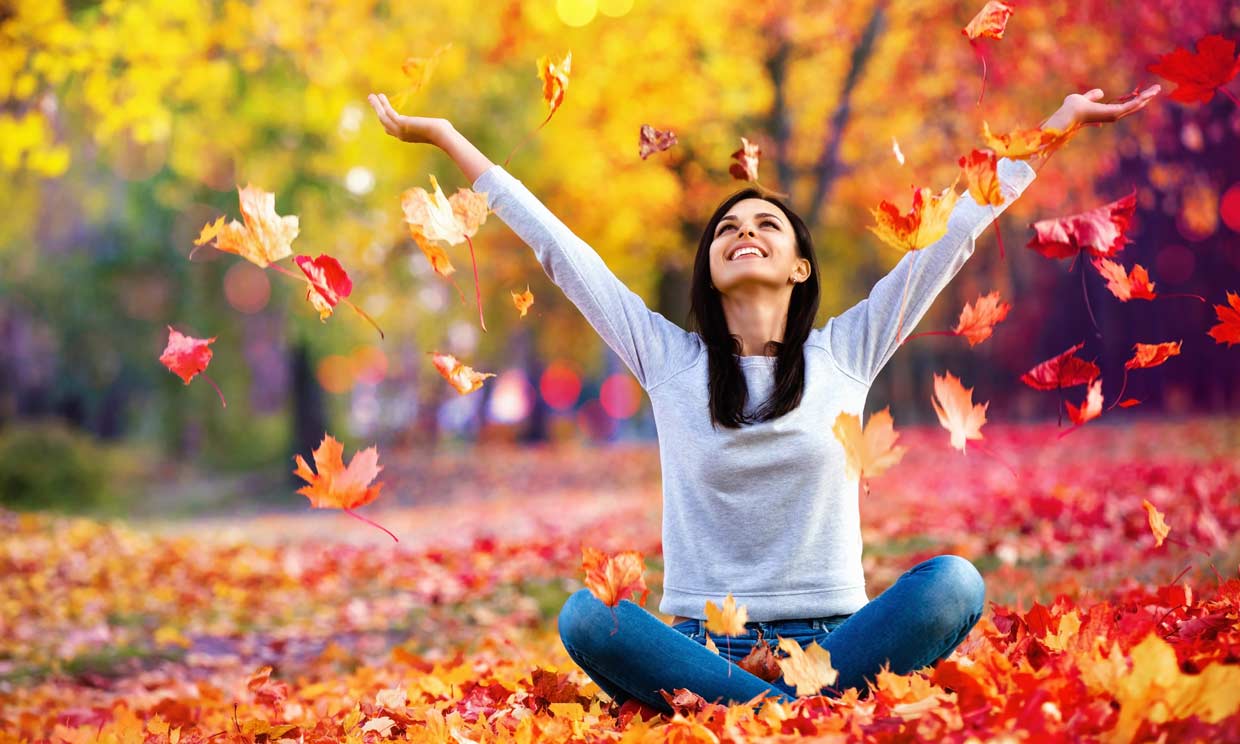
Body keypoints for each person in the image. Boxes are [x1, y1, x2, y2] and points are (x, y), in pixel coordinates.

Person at [367, 83, 1159, 714]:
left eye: (766, 225)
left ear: (799, 267)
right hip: (702, 649)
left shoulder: (848, 350)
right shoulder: (666, 360)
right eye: (727, 228)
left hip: (838, 643)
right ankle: (786, 715)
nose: (745, 230)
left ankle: (751, 717)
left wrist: (1055, 126)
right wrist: (444, 137)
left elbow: (958, 234)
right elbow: (561, 252)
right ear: (710, 268)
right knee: (584, 615)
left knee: (955, 582)